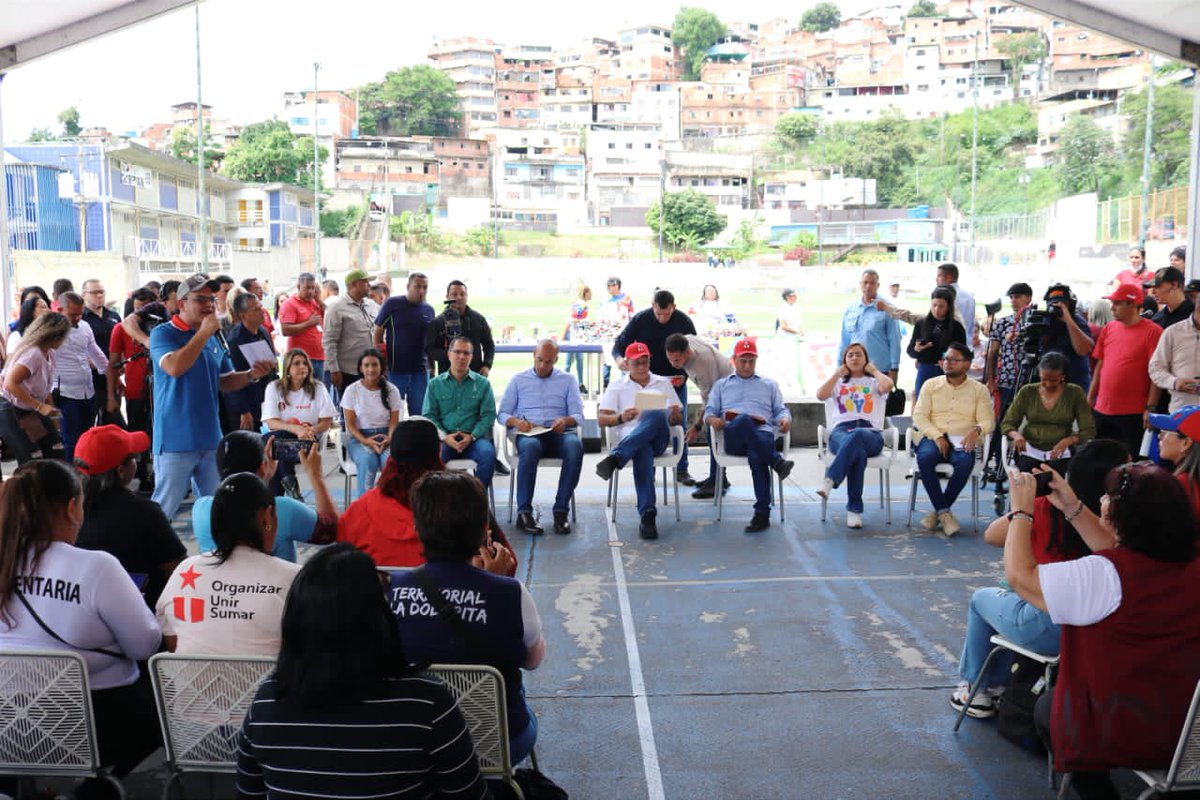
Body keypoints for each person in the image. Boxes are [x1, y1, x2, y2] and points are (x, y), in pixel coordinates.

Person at [236, 543, 490, 800]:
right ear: (379, 618)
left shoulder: (267, 702)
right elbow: (469, 794)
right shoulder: (426, 702)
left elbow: (249, 793)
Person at [1006, 463, 1200, 796]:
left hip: (1123, 730)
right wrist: (1072, 506)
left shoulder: (1105, 575)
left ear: (1122, 518)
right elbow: (1117, 549)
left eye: (1108, 497)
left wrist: (1021, 513)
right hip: (1190, 737)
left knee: (1048, 710)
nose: (1101, 499)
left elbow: (1021, 577)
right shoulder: (1188, 564)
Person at [0, 459, 163, 789]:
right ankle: (94, 789)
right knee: (165, 702)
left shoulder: (5, 559)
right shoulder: (97, 567)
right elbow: (144, 645)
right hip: (90, 724)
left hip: (9, 724)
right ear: (72, 507)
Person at [951, 439, 1129, 719]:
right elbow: (1108, 548)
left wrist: (1023, 508)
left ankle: (978, 689)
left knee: (982, 599)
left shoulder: (1046, 509)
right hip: (1096, 631)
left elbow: (994, 539)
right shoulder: (1120, 525)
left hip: (1052, 625)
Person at [389, 471, 545, 765]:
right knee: (516, 685)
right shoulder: (510, 593)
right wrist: (489, 587)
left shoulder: (395, 589)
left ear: (417, 528)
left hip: (420, 743)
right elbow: (532, 660)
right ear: (485, 528)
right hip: (499, 742)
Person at [149, 274, 276, 520]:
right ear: (182, 303)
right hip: (175, 439)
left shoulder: (213, 337)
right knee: (163, 509)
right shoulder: (164, 334)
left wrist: (251, 375)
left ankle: (216, 555)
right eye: (200, 299)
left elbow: (225, 381)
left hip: (210, 437)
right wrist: (202, 334)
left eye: (212, 298)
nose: (209, 304)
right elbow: (175, 367)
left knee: (218, 508)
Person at [338, 419, 517, 574]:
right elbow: (508, 565)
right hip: (455, 606)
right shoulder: (466, 501)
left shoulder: (358, 511)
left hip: (379, 608)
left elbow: (341, 567)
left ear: (391, 458)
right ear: (438, 455)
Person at [158, 472, 300, 655]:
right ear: (267, 517)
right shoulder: (295, 579)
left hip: (192, 684)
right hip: (270, 683)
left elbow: (173, 644)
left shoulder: (184, 570)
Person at [74, 425, 186, 610]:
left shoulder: (65, 511)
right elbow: (177, 570)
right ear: (121, 471)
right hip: (141, 612)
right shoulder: (145, 511)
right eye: (135, 458)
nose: (137, 463)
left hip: (81, 611)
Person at [191, 430, 338, 564]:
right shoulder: (281, 509)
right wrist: (315, 476)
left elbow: (240, 499)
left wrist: (263, 477)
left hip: (219, 591)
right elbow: (332, 530)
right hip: (275, 590)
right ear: (262, 467)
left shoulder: (200, 509)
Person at [595, 342, 685, 539]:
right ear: (627, 364)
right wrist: (621, 418)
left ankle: (616, 458)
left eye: (646, 362)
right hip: (634, 441)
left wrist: (675, 415)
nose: (643, 367)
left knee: (655, 414)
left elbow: (676, 419)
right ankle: (647, 515)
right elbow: (602, 419)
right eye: (637, 364)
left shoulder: (662, 382)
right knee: (642, 449)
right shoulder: (617, 386)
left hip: (659, 439)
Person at [703, 337, 794, 533]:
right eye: (743, 360)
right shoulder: (721, 385)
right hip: (735, 436)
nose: (747, 365)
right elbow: (709, 412)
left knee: (757, 455)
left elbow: (781, 410)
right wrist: (713, 420)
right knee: (744, 420)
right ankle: (776, 462)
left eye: (751, 361)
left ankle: (762, 514)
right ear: (733, 360)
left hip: (762, 434)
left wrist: (786, 420)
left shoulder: (769, 385)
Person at [498, 340, 585, 535]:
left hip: (558, 434)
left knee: (575, 446)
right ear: (533, 355)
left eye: (548, 362)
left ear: (556, 359)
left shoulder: (568, 380)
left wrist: (565, 420)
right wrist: (516, 422)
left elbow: (579, 416)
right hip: (530, 433)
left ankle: (561, 510)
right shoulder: (518, 380)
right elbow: (502, 414)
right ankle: (524, 513)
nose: (543, 366)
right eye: (539, 360)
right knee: (530, 448)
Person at [612, 289, 699, 486]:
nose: (661, 318)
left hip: (675, 380)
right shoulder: (641, 319)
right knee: (647, 420)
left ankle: (682, 468)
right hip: (648, 381)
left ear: (673, 308)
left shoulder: (683, 322)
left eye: (666, 314)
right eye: (658, 313)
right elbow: (619, 344)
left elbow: (693, 352)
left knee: (679, 423)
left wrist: (684, 376)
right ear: (652, 306)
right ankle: (647, 467)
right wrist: (619, 360)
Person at [911, 341, 995, 536]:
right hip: (934, 437)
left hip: (963, 439)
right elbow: (919, 416)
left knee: (965, 461)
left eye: (954, 360)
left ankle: (939, 512)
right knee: (924, 457)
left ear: (967, 364)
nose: (948, 363)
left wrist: (976, 431)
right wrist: (937, 436)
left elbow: (988, 421)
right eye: (946, 359)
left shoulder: (979, 390)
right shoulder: (931, 385)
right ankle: (944, 513)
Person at [815, 342, 895, 529]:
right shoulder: (839, 383)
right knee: (856, 452)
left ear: (866, 359)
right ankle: (854, 511)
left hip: (870, 434)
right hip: (841, 432)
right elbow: (820, 395)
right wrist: (835, 374)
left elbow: (889, 385)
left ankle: (831, 479)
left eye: (859, 354)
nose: (854, 358)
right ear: (844, 361)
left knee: (858, 436)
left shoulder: (875, 382)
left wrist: (874, 370)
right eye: (850, 355)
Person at [1088, 282, 1163, 456]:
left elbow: (1156, 374)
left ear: (1132, 304)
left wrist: (1150, 408)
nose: (1112, 308)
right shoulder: (1109, 328)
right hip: (1102, 409)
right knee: (1101, 459)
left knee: (1132, 461)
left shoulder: (1153, 332)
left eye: (1117, 303)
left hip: (1134, 412)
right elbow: (1101, 364)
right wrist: (1090, 397)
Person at [665, 332, 735, 499]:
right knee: (712, 431)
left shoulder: (702, 366)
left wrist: (696, 426)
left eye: (676, 360)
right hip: (718, 386)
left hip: (728, 391)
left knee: (713, 433)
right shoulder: (686, 340)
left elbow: (710, 401)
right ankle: (718, 478)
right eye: (670, 359)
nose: (673, 364)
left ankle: (717, 482)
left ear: (687, 353)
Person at [1001, 352, 1096, 475]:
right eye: (1043, 379)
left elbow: (1088, 430)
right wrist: (1016, 435)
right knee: (1028, 476)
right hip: (1030, 449)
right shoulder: (1027, 391)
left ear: (1063, 377)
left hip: (1060, 452)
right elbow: (1007, 423)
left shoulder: (1074, 392)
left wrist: (1069, 440)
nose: (1048, 384)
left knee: (1054, 478)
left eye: (1054, 380)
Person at [422, 335, 497, 489]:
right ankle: (440, 507)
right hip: (445, 439)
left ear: (471, 357)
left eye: (466, 353)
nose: (461, 357)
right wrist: (445, 437)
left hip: (474, 439)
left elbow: (488, 415)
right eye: (457, 352)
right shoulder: (434, 384)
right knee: (431, 460)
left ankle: (477, 502)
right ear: (449, 354)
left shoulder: (483, 384)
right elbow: (429, 416)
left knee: (488, 455)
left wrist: (472, 436)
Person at [262, 348, 336, 499]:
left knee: (273, 446)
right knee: (278, 439)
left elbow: (327, 421)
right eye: (296, 363)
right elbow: (271, 422)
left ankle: (276, 501)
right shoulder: (274, 388)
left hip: (309, 440)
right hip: (283, 440)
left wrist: (310, 430)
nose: (302, 366)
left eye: (305, 363)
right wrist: (296, 429)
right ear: (287, 368)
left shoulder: (318, 388)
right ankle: (290, 486)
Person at [0, 312, 69, 464]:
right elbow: (9, 383)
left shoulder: (50, 353)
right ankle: (30, 487)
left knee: (56, 448)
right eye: (63, 336)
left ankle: (50, 485)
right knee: (32, 455)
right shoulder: (33, 354)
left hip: (30, 407)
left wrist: (52, 415)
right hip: (10, 407)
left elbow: (46, 390)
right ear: (53, 335)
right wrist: (39, 407)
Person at [52, 291, 108, 462]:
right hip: (65, 393)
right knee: (71, 441)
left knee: (88, 439)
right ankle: (72, 482)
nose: (77, 318)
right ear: (60, 309)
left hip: (88, 391)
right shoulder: (50, 330)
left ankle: (87, 479)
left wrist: (110, 374)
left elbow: (96, 353)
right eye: (73, 314)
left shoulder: (85, 326)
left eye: (80, 313)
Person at [342, 349, 404, 499]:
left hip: (387, 436)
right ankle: (366, 506)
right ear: (360, 368)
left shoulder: (391, 390)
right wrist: (366, 441)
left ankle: (393, 504)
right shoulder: (352, 390)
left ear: (381, 367)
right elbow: (350, 424)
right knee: (368, 460)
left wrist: (389, 438)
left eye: (375, 365)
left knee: (391, 461)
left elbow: (394, 421)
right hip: (359, 438)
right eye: (366, 365)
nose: (371, 369)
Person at [375, 272, 435, 415]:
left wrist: (432, 367)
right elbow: (377, 332)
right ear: (408, 286)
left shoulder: (429, 310)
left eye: (425, 287)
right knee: (392, 413)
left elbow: (430, 341)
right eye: (417, 287)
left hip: (420, 371)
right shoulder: (392, 304)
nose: (421, 291)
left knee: (420, 414)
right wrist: (381, 362)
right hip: (395, 370)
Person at [224, 290, 277, 433]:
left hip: (263, 398)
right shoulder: (235, 340)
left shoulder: (262, 332)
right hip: (244, 406)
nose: (262, 311)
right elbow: (231, 379)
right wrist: (243, 410)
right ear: (243, 315)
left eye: (261, 307)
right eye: (256, 309)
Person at [322, 268, 379, 394]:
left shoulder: (372, 306)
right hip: (348, 370)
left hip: (371, 370)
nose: (369, 285)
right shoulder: (336, 309)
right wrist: (334, 370)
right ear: (354, 284)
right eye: (365, 282)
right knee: (349, 410)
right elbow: (329, 342)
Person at [840, 269, 902, 383]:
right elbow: (844, 340)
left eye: (872, 283)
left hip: (879, 370)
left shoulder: (887, 308)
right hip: (854, 369)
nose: (868, 286)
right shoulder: (851, 309)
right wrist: (840, 364)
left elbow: (895, 340)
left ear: (878, 285)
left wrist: (894, 368)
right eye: (865, 282)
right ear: (860, 284)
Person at [908, 286, 966, 405]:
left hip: (947, 370)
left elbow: (963, 353)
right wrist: (917, 349)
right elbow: (910, 350)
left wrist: (949, 358)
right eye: (934, 305)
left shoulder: (956, 327)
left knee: (944, 404)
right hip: (925, 368)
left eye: (941, 306)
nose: (937, 309)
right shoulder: (921, 324)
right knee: (923, 403)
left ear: (948, 307)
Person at [425, 279, 495, 377]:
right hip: (447, 378)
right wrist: (452, 355)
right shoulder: (438, 322)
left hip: (475, 376)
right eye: (454, 294)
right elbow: (430, 350)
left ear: (467, 296)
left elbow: (489, 344)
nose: (459, 297)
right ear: (447, 297)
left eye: (462, 294)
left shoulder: (479, 319)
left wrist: (487, 365)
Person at [1150, 295, 1200, 415]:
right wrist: (1174, 382)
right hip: (1180, 414)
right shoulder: (1173, 332)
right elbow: (1155, 368)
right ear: (1197, 308)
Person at [277, 272, 326, 383]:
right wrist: (308, 323)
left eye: (313, 288)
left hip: (320, 356)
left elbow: (331, 316)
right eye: (307, 288)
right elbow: (286, 330)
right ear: (299, 287)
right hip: (301, 359)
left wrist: (319, 300)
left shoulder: (315, 302)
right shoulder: (290, 303)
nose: (310, 291)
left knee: (319, 393)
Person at [120, 279, 181, 348]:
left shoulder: (191, 310)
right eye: (177, 299)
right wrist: (146, 341)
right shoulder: (156, 307)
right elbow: (128, 322)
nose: (183, 303)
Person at [774, 287, 806, 394]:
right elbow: (783, 326)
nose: (795, 297)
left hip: (793, 338)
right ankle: (784, 384)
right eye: (793, 295)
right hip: (784, 338)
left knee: (793, 361)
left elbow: (798, 323)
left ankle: (792, 382)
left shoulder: (796, 308)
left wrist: (801, 332)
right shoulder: (783, 309)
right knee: (784, 361)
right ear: (787, 297)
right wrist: (797, 331)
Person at [562, 283, 592, 391]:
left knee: (574, 360)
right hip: (576, 335)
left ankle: (576, 383)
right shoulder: (582, 304)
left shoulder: (578, 303)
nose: (591, 295)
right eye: (590, 293)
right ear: (586, 293)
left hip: (577, 334)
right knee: (573, 360)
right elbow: (574, 318)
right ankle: (575, 383)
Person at [936, 262, 976, 342]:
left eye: (939, 276)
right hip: (966, 343)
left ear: (949, 277)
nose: (936, 279)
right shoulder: (969, 296)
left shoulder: (944, 296)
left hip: (949, 345)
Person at [1149, 266, 1193, 330]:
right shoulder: (1156, 319)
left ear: (1174, 285)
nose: (1153, 292)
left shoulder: (1194, 316)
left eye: (1158, 286)